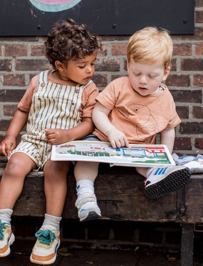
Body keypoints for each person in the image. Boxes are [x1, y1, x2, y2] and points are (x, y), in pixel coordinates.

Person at [0, 18, 101, 265]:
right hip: (33, 141)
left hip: (63, 146)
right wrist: (10, 136)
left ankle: (50, 230)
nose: (90, 70)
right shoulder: (38, 81)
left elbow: (90, 122)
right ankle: (1, 226)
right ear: (60, 65)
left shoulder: (88, 89)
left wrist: (69, 135)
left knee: (55, 168)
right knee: (14, 166)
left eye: (92, 63)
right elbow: (22, 111)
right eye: (82, 65)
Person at [74, 27, 191, 222]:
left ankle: (157, 175)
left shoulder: (166, 98)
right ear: (128, 65)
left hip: (139, 149)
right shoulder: (119, 86)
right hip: (105, 141)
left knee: (146, 165)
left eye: (151, 76)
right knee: (86, 159)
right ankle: (86, 198)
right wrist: (110, 131)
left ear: (165, 72)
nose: (142, 81)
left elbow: (168, 130)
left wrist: (165, 157)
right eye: (136, 73)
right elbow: (98, 112)